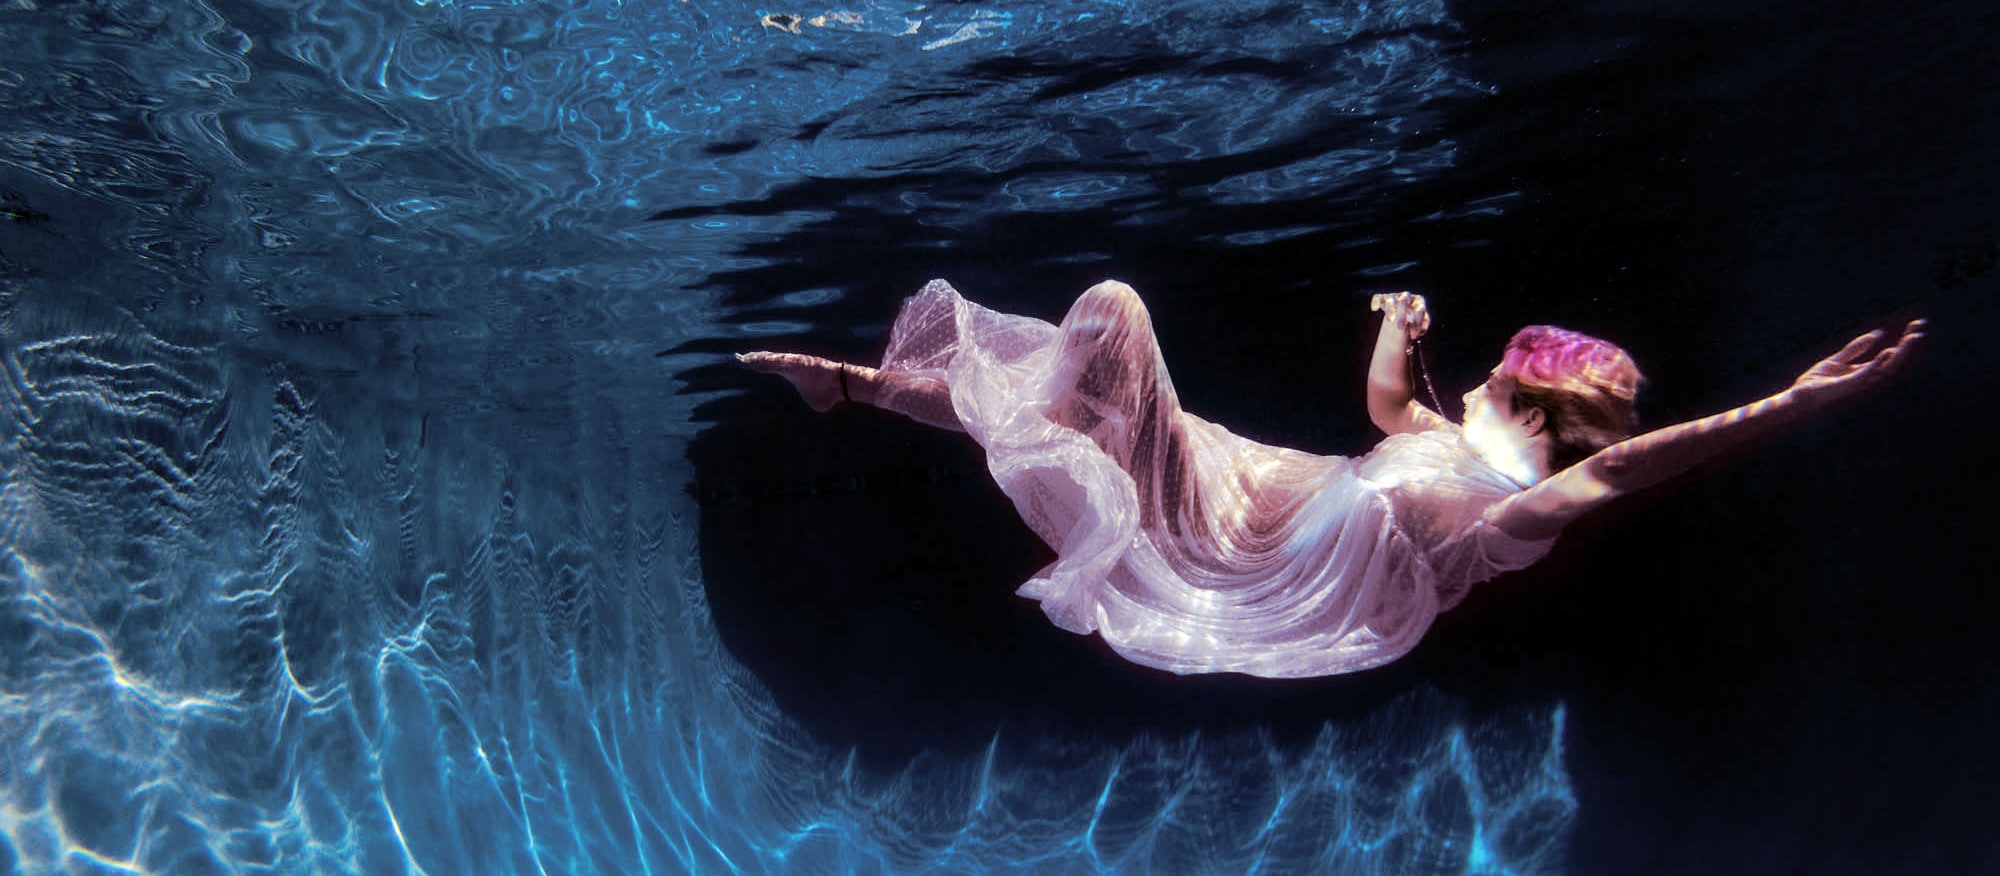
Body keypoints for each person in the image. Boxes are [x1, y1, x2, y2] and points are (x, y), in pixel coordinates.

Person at [739, 279, 1922, 678]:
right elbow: (1381, 409)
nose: (1469, 385)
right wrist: (1400, 324)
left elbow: (1616, 471)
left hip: (1241, 550)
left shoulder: (1511, 516)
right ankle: (851, 388)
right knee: (1095, 398)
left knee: (1109, 318)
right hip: (1247, 487)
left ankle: (934, 415)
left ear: (1519, 403)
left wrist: (1788, 407)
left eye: (1493, 376)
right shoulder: (1450, 446)